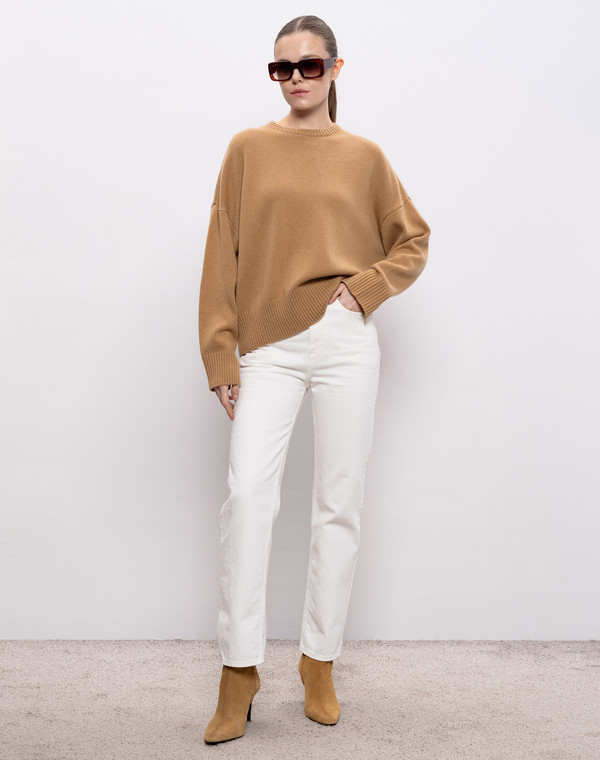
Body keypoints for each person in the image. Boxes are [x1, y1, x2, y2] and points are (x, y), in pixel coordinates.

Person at [199, 14, 431, 745]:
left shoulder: (364, 156)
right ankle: (238, 671)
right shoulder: (247, 149)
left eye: (309, 65)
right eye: (282, 68)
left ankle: (318, 662)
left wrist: (365, 289)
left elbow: (413, 239)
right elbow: (222, 248)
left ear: (335, 69)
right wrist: (220, 353)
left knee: (339, 503)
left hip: (344, 340)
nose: (296, 78)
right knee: (249, 496)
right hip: (268, 343)